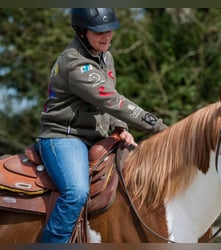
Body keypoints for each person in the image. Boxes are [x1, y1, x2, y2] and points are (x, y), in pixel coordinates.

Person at [37, 8, 167, 243]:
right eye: (98, 31)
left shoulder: (105, 56)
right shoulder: (75, 64)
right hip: (64, 137)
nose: (106, 35)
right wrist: (160, 128)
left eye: (109, 29)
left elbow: (111, 96)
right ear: (81, 31)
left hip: (96, 136)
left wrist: (119, 128)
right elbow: (112, 100)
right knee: (76, 193)